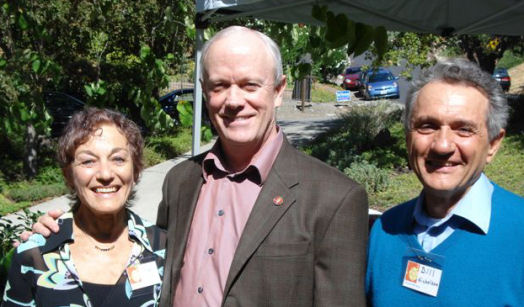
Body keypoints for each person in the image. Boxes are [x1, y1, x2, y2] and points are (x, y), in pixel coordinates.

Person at [28, 26, 369, 306]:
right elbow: (143, 256)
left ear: (279, 91)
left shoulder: (334, 199)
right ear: (205, 93)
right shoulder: (181, 180)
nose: (234, 101)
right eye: (220, 86)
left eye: (250, 85)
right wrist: (61, 237)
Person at [366, 58, 524, 306]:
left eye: (463, 129)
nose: (442, 145)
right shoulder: (385, 231)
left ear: (493, 144)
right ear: (408, 138)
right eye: (427, 126)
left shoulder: (519, 232)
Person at [2, 108, 166, 306]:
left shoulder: (163, 248)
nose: (105, 174)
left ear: (136, 170)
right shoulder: (36, 253)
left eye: (118, 159)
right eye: (88, 161)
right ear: (68, 175)